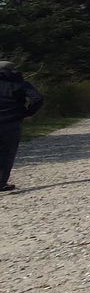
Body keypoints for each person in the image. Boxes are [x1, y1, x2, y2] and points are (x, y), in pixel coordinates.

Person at [0, 60, 45, 193]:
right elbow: (38, 99)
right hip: (12, 122)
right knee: (7, 152)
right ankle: (1, 183)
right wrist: (27, 113)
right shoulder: (20, 83)